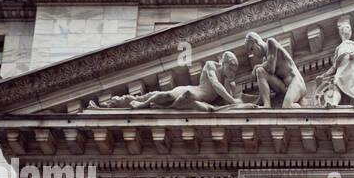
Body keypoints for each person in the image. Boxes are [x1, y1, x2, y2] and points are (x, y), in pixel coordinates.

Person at [90, 51, 249, 111]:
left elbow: (226, 99)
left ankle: (161, 106)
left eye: (235, 70)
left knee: (205, 109)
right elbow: (215, 85)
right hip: (192, 92)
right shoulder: (211, 66)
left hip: (196, 101)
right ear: (225, 63)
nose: (233, 72)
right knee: (166, 95)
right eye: (232, 68)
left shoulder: (229, 79)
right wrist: (234, 101)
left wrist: (231, 86)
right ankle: (141, 105)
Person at [245, 31, 306, 108]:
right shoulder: (264, 61)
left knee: (287, 107)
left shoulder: (271, 43)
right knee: (260, 71)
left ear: (256, 42)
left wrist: (256, 66)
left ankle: (301, 109)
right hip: (284, 88)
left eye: (252, 49)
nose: (253, 54)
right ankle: (267, 105)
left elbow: (271, 68)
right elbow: (264, 86)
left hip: (296, 82)